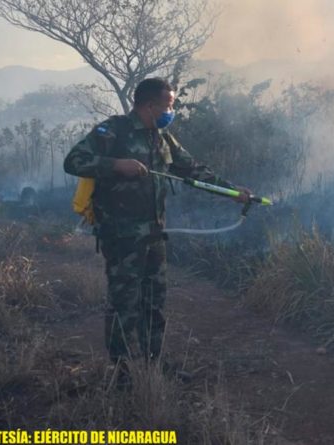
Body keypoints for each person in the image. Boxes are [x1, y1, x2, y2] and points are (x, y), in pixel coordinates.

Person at [64, 77, 250, 388]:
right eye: (169, 105)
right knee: (124, 304)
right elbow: (74, 161)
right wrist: (115, 165)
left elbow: (193, 169)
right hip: (121, 237)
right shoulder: (114, 131)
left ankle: (154, 364)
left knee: (154, 302)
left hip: (153, 236)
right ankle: (123, 375)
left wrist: (233, 192)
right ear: (150, 105)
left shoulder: (162, 138)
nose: (171, 111)